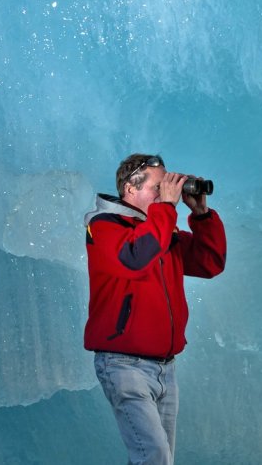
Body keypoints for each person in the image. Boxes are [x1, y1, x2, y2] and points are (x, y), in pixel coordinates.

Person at [84, 153, 226, 465]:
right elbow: (135, 257)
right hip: (123, 365)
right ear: (130, 190)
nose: (165, 194)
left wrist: (201, 215)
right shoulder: (104, 225)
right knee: (154, 456)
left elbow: (210, 262)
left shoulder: (163, 231)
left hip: (165, 367)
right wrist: (166, 210)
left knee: (158, 459)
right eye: (157, 187)